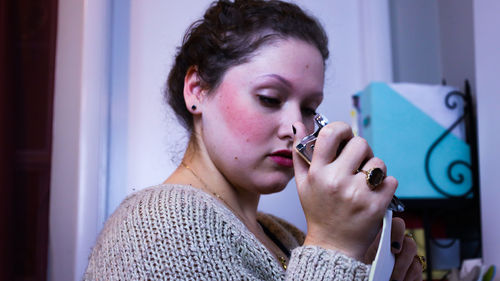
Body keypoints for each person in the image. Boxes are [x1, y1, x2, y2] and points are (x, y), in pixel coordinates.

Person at [84, 0, 424, 280]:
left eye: (309, 108)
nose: (296, 128)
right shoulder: (158, 227)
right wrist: (333, 246)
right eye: (269, 98)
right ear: (197, 90)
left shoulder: (285, 235)